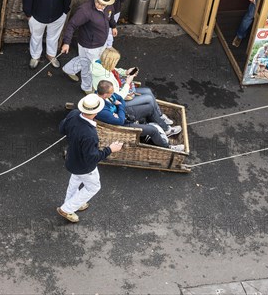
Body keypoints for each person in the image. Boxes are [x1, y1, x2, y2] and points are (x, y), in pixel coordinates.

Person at [57, 94, 123, 223]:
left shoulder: (74, 114)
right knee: (93, 187)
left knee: (75, 180)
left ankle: (73, 203)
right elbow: (92, 158)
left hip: (72, 160)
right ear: (96, 112)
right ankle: (67, 208)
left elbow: (61, 129)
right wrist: (110, 149)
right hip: (84, 167)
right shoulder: (90, 135)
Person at [91, 47, 174, 126]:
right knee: (149, 98)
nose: (116, 63)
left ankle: (160, 116)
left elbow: (115, 70)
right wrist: (127, 82)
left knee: (148, 91)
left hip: (119, 92)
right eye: (115, 62)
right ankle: (160, 120)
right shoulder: (106, 78)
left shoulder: (101, 65)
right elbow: (119, 96)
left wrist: (126, 72)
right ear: (110, 62)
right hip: (118, 102)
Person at [95, 80, 184, 151]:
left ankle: (166, 129)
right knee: (153, 130)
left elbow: (120, 99)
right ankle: (168, 147)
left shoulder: (105, 94)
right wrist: (119, 106)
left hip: (123, 113)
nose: (113, 93)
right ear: (105, 95)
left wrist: (119, 107)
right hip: (123, 124)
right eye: (111, 92)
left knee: (149, 108)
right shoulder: (101, 109)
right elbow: (120, 121)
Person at [61, 0, 117, 94]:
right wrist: (66, 42)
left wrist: (113, 26)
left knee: (84, 59)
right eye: (98, 2)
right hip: (89, 45)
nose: (100, 5)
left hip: (101, 42)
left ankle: (68, 69)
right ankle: (86, 88)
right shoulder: (84, 11)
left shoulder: (109, 6)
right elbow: (72, 25)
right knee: (90, 67)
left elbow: (111, 17)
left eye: (103, 4)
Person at [22, 0, 71, 69]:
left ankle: (51, 55)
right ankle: (35, 56)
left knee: (53, 37)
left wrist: (65, 12)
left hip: (58, 16)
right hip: (37, 16)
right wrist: (28, 15)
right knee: (36, 37)